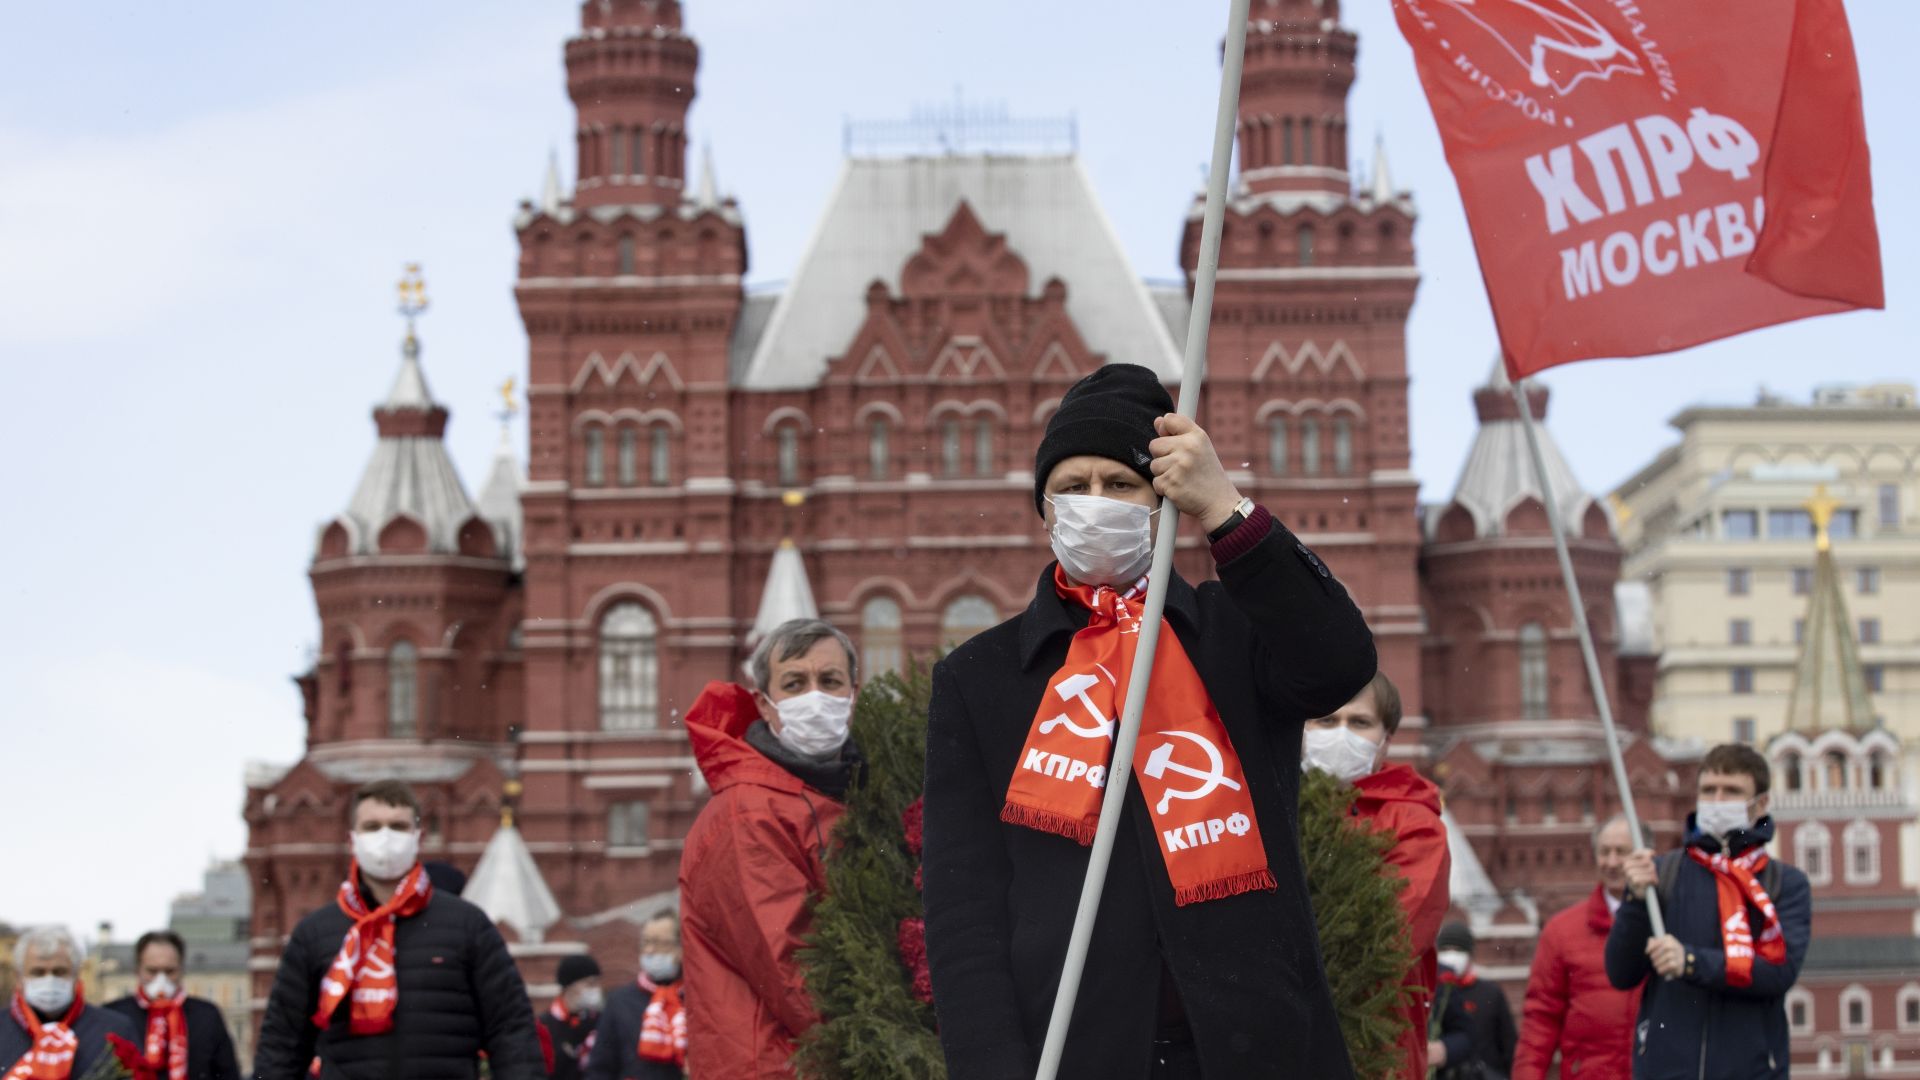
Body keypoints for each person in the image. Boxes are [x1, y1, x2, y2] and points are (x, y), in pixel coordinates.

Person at [923, 364, 1376, 1079]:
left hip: (1255, 1045)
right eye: (1073, 486)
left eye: (1120, 484)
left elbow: (1338, 663)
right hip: (1075, 1053)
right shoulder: (981, 677)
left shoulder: (1231, 636)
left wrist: (1226, 509)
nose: (1095, 503)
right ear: (1044, 511)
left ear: (1163, 505)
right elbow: (964, 912)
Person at [252, 779, 545, 1079]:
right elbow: (281, 1047)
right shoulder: (316, 934)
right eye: (372, 827)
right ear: (352, 840)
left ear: (418, 837)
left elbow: (511, 1031)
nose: (385, 837)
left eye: (398, 826)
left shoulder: (466, 926)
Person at [679, 618, 862, 1078]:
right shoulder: (747, 813)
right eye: (795, 684)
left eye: (830, 681)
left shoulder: (842, 794)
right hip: (776, 1065)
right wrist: (890, 1038)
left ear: (853, 694)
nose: (815, 698)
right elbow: (795, 971)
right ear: (764, 703)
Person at [1606, 744, 1811, 1079]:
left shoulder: (1783, 883)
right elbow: (1620, 972)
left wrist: (1690, 962)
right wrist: (1636, 901)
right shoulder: (1665, 873)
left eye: (1731, 791)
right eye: (1708, 790)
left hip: (1752, 1071)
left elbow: (1778, 973)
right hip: (1667, 1070)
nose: (1717, 800)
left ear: (1760, 804)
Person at [1304, 672, 1450, 1080]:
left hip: (1376, 1044)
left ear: (1386, 739)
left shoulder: (1415, 824)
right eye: (1326, 720)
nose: (1341, 734)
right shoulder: (1274, 808)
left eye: (1360, 722)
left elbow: (1390, 935)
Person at [1512, 814, 1650, 1080]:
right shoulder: (1562, 931)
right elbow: (1540, 1018)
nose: (1612, 862)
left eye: (1622, 852)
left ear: (1645, 856)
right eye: (1604, 852)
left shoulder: (1668, 921)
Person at [2, 925, 139, 1079]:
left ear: (76, 974)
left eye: (59, 972)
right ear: (18, 977)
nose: (49, 980)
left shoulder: (115, 1030)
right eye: (38, 972)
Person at [102, 929, 241, 1080]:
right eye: (152, 971)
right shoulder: (115, 1015)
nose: (161, 979)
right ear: (138, 970)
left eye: (169, 971)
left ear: (181, 970)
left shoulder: (207, 1016)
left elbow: (228, 1073)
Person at [585, 910, 686, 1080]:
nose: (650, 950)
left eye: (660, 943)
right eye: (646, 942)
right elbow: (600, 1068)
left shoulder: (696, 1000)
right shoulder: (620, 1002)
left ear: (681, 948)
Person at [1429, 923, 1516, 1079]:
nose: (1452, 956)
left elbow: (1508, 1044)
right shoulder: (1435, 993)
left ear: (1470, 955)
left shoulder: (1490, 993)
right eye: (1446, 949)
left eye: (1459, 950)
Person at [540, 953, 603, 1080]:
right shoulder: (544, 1025)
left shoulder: (599, 1020)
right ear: (570, 985)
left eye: (598, 983)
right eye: (590, 984)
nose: (596, 989)